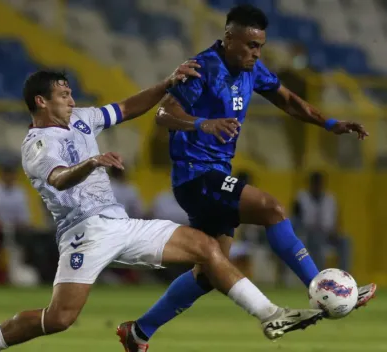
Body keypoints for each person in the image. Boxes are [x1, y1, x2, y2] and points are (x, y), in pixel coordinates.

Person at [0, 66, 324, 352]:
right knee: (60, 318)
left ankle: (271, 315)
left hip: (121, 223)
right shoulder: (36, 145)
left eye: (70, 93)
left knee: (207, 249)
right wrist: (92, 163)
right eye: (63, 95)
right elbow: (60, 178)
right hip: (84, 235)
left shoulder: (82, 118)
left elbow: (127, 108)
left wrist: (167, 83)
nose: (71, 98)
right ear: (41, 102)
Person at [119, 5, 376, 350]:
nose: (256, 53)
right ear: (229, 38)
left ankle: (139, 332)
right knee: (271, 208)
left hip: (213, 176)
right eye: (251, 45)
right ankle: (324, 289)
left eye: (260, 46)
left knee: (210, 271)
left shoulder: (251, 69)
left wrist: (329, 123)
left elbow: (287, 100)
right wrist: (202, 123)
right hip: (197, 177)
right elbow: (164, 113)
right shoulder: (203, 68)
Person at [292, 171, 351, 271]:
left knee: (345, 241)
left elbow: (337, 220)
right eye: (315, 183)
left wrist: (336, 231)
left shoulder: (330, 198)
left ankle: (344, 274)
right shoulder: (301, 198)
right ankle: (319, 274)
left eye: (319, 183)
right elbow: (296, 219)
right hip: (308, 233)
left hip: (328, 233)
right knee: (316, 241)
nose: (317, 186)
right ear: (310, 184)